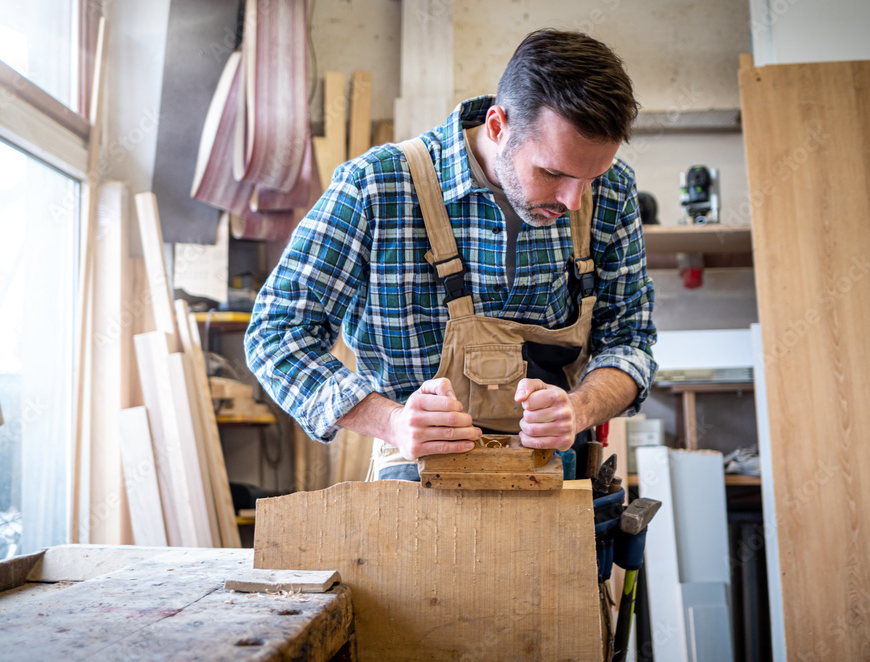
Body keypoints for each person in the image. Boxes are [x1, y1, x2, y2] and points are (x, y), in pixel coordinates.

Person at [244, 29, 656, 481]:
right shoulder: (376, 187)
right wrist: (394, 423)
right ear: (499, 127)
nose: (574, 201)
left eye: (590, 177)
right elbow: (276, 334)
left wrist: (578, 409)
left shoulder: (613, 191)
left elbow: (628, 342)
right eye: (553, 172)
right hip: (417, 482)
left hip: (559, 476)